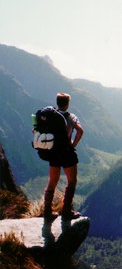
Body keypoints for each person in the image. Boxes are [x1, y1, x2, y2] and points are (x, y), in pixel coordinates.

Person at [43, 93, 84, 221]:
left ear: (57, 102)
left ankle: (47, 212)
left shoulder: (50, 116)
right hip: (67, 152)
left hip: (54, 152)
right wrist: (73, 144)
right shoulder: (71, 117)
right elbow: (80, 131)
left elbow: (35, 130)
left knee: (52, 182)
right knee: (71, 181)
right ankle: (66, 212)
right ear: (67, 103)